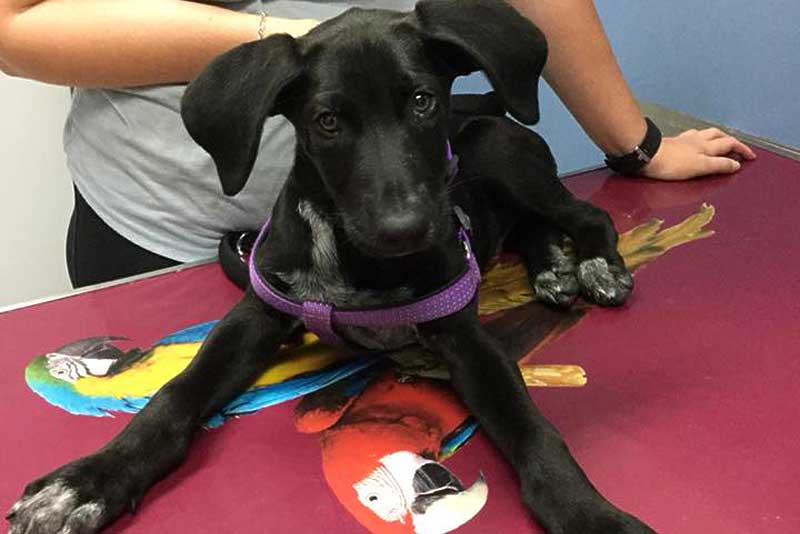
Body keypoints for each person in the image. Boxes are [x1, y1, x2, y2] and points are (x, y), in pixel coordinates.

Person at [0, 0, 756, 288]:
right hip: (160, 225)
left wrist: (635, 143)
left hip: (408, 226)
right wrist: (295, 51)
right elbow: (15, 21)